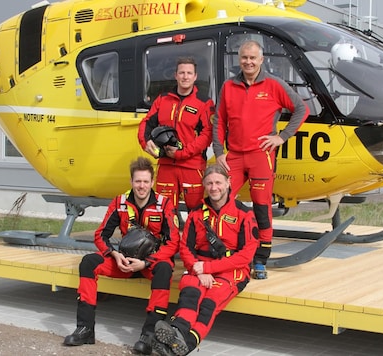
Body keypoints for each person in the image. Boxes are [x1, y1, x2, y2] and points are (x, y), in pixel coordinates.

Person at [63, 157, 181, 355]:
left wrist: (145, 263)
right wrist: (115, 255)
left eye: (145, 181)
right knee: (88, 262)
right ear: (131, 182)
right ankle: (85, 329)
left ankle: (149, 335)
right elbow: (101, 234)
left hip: (150, 264)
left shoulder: (164, 204)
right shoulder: (120, 202)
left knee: (164, 268)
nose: (141, 186)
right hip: (124, 262)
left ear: (152, 182)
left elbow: (173, 242)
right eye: (137, 181)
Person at [213, 40, 308, 279]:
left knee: (262, 208)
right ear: (239, 59)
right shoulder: (228, 86)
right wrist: (218, 151)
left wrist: (282, 137)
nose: (248, 62)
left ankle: (260, 259)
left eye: (253, 58)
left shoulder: (274, 84)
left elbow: (301, 109)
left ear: (261, 60)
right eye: (244, 57)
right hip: (233, 156)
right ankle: (223, 251)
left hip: (260, 156)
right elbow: (220, 120)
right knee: (219, 201)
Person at [152, 163, 259, 356]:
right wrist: (196, 269)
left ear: (228, 183)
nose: (214, 187)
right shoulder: (196, 214)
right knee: (190, 293)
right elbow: (185, 248)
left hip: (232, 269)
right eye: (209, 183)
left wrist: (208, 268)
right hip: (200, 267)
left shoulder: (244, 214)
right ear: (204, 185)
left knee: (210, 301)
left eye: (218, 182)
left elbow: (245, 256)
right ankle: (176, 333)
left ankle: (187, 343)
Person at [138, 56, 214, 213]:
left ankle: (194, 238)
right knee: (165, 212)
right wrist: (145, 143)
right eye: (182, 73)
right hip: (166, 166)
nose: (185, 76)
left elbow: (207, 135)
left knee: (196, 213)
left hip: (192, 166)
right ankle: (168, 238)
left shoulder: (204, 103)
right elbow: (146, 123)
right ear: (176, 75)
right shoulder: (163, 99)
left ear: (195, 76)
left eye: (189, 73)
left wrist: (181, 153)